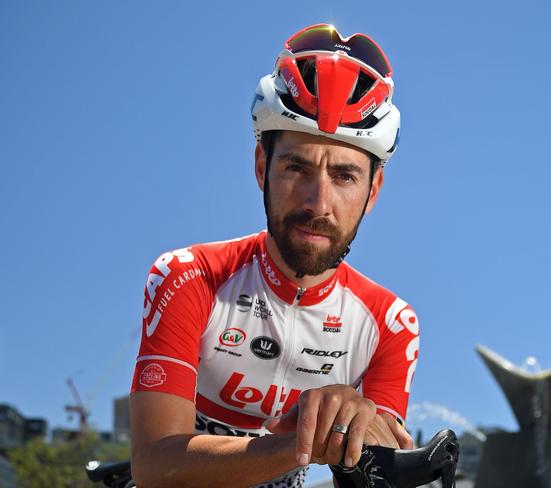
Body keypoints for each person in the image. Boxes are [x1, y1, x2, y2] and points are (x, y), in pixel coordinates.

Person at [129, 24, 420, 488]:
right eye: (295, 167)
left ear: (373, 191)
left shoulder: (390, 324)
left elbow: (377, 473)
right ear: (262, 166)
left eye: (344, 176)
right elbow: (154, 466)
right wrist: (303, 443)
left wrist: (360, 435)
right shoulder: (189, 277)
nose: (317, 204)